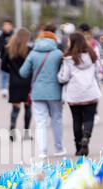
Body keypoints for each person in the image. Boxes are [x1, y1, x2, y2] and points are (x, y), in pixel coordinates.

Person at [19, 23, 65, 159]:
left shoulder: (33, 53)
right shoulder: (58, 53)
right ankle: (59, 148)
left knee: (40, 122)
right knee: (56, 119)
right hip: (55, 92)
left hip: (37, 92)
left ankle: (42, 151)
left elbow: (23, 72)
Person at [58, 32, 102, 157]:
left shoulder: (68, 59)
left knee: (76, 120)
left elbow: (63, 77)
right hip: (91, 92)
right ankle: (86, 136)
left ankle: (78, 147)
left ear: (72, 43)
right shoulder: (92, 56)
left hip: (74, 94)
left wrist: (59, 77)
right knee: (89, 117)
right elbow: (97, 73)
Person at [1, 27, 33, 142]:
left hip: (14, 82)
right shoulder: (29, 50)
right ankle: (26, 133)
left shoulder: (9, 49)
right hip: (27, 82)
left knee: (15, 108)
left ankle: (12, 129)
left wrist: (12, 72)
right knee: (28, 107)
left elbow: (3, 66)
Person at [79, 22, 103, 124]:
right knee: (95, 93)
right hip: (94, 72)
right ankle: (94, 113)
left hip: (81, 72)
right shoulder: (94, 43)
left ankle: (86, 114)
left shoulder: (78, 42)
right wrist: (100, 70)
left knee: (83, 93)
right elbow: (98, 58)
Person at [0, 19, 14, 98]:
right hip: (3, 58)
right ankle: (4, 90)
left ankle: (11, 88)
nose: (6, 27)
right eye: (4, 25)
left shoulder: (14, 35)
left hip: (13, 58)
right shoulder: (1, 36)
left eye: (7, 25)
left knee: (12, 74)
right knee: (4, 73)